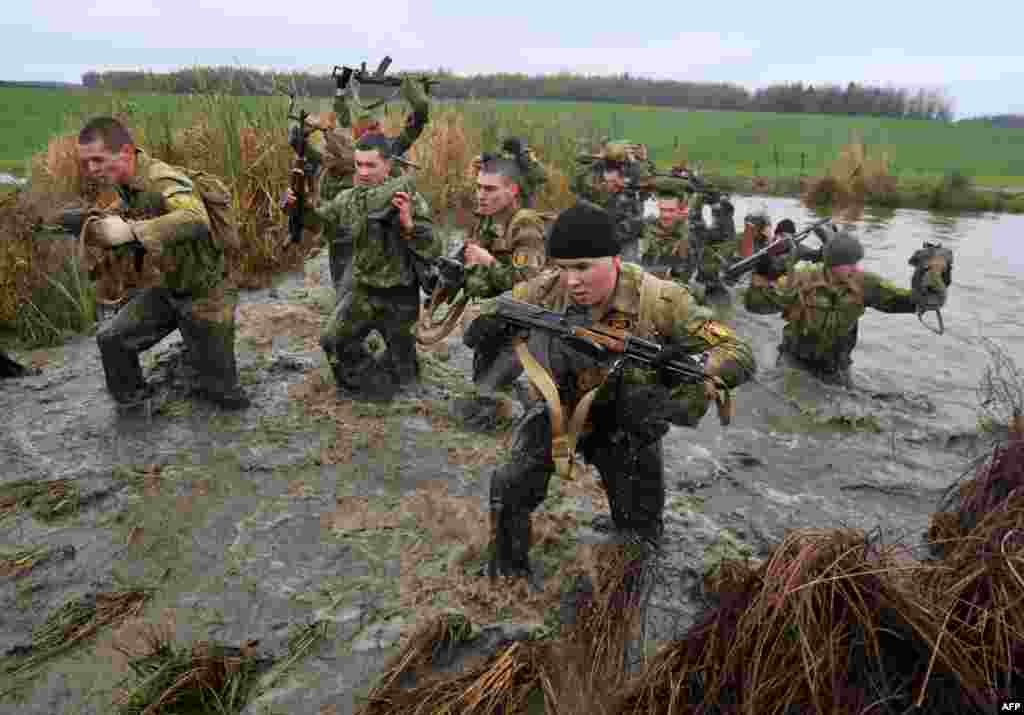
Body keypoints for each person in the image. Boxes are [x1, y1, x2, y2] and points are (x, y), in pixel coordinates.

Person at [482, 202, 755, 585]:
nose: (571, 280)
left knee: (640, 538)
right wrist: (485, 328)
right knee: (508, 486)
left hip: (630, 426)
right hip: (562, 409)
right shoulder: (545, 289)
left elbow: (737, 350)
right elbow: (490, 311)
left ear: (614, 259)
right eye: (562, 266)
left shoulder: (662, 301)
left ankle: (622, 605)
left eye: (583, 267)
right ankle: (508, 585)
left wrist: (697, 370)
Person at [77, 116, 249, 409]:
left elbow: (195, 217)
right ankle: (135, 409)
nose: (92, 169)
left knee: (222, 395)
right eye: (87, 162)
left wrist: (132, 232)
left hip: (208, 294)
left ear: (127, 152)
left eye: (98, 159)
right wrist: (92, 225)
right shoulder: (127, 184)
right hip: (172, 289)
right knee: (112, 339)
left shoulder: (161, 178)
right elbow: (128, 214)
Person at [285, 132, 439, 399]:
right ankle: (370, 391)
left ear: (388, 165)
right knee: (333, 341)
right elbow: (322, 223)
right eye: (359, 165)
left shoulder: (408, 198)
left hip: (399, 294)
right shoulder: (350, 199)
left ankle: (402, 392)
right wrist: (298, 208)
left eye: (371, 165)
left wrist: (409, 225)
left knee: (405, 372)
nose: (364, 172)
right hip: (363, 289)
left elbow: (435, 247)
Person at [744, 230, 952, 387]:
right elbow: (755, 305)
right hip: (794, 363)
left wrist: (931, 277)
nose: (856, 268)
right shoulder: (799, 280)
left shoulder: (864, 284)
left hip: (836, 368)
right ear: (831, 263)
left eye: (857, 262)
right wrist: (762, 275)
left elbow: (909, 302)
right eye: (849, 263)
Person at [291, 77, 430, 289]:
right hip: (342, 228)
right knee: (343, 281)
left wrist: (416, 95)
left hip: (376, 228)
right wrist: (304, 132)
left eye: (374, 128)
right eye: (366, 129)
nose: (371, 133)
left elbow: (415, 126)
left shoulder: (387, 149)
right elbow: (305, 148)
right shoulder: (340, 154)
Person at [452, 156, 548, 427]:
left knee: (482, 407)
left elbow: (530, 286)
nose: (481, 195)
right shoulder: (487, 221)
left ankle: (536, 403)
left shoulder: (525, 225)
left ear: (512, 190)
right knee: (482, 399)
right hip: (495, 325)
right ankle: (522, 398)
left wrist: (487, 261)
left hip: (523, 329)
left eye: (490, 189)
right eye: (479, 187)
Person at [572, 141, 652, 262]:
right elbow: (576, 185)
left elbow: (647, 186)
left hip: (627, 233)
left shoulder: (632, 171)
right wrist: (599, 159)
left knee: (627, 270)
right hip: (600, 236)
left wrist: (635, 162)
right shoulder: (595, 172)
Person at [687, 190, 738, 300]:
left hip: (706, 282)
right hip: (715, 282)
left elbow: (694, 220)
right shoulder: (729, 232)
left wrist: (698, 199)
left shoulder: (715, 233)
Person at [640, 184, 693, 284]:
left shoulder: (691, 234)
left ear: (680, 209)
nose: (666, 215)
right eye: (662, 210)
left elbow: (686, 272)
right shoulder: (646, 227)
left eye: (671, 210)